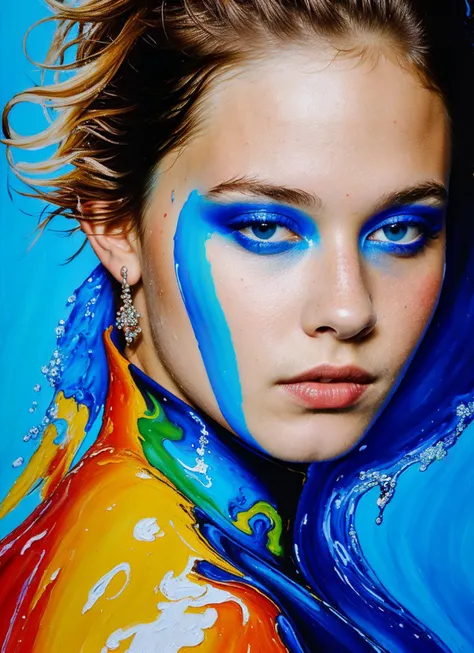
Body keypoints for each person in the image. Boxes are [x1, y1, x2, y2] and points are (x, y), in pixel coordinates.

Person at [1, 0, 474, 651]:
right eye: (265, 228)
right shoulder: (199, 617)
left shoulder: (100, 518)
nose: (347, 309)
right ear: (115, 223)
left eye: (400, 230)